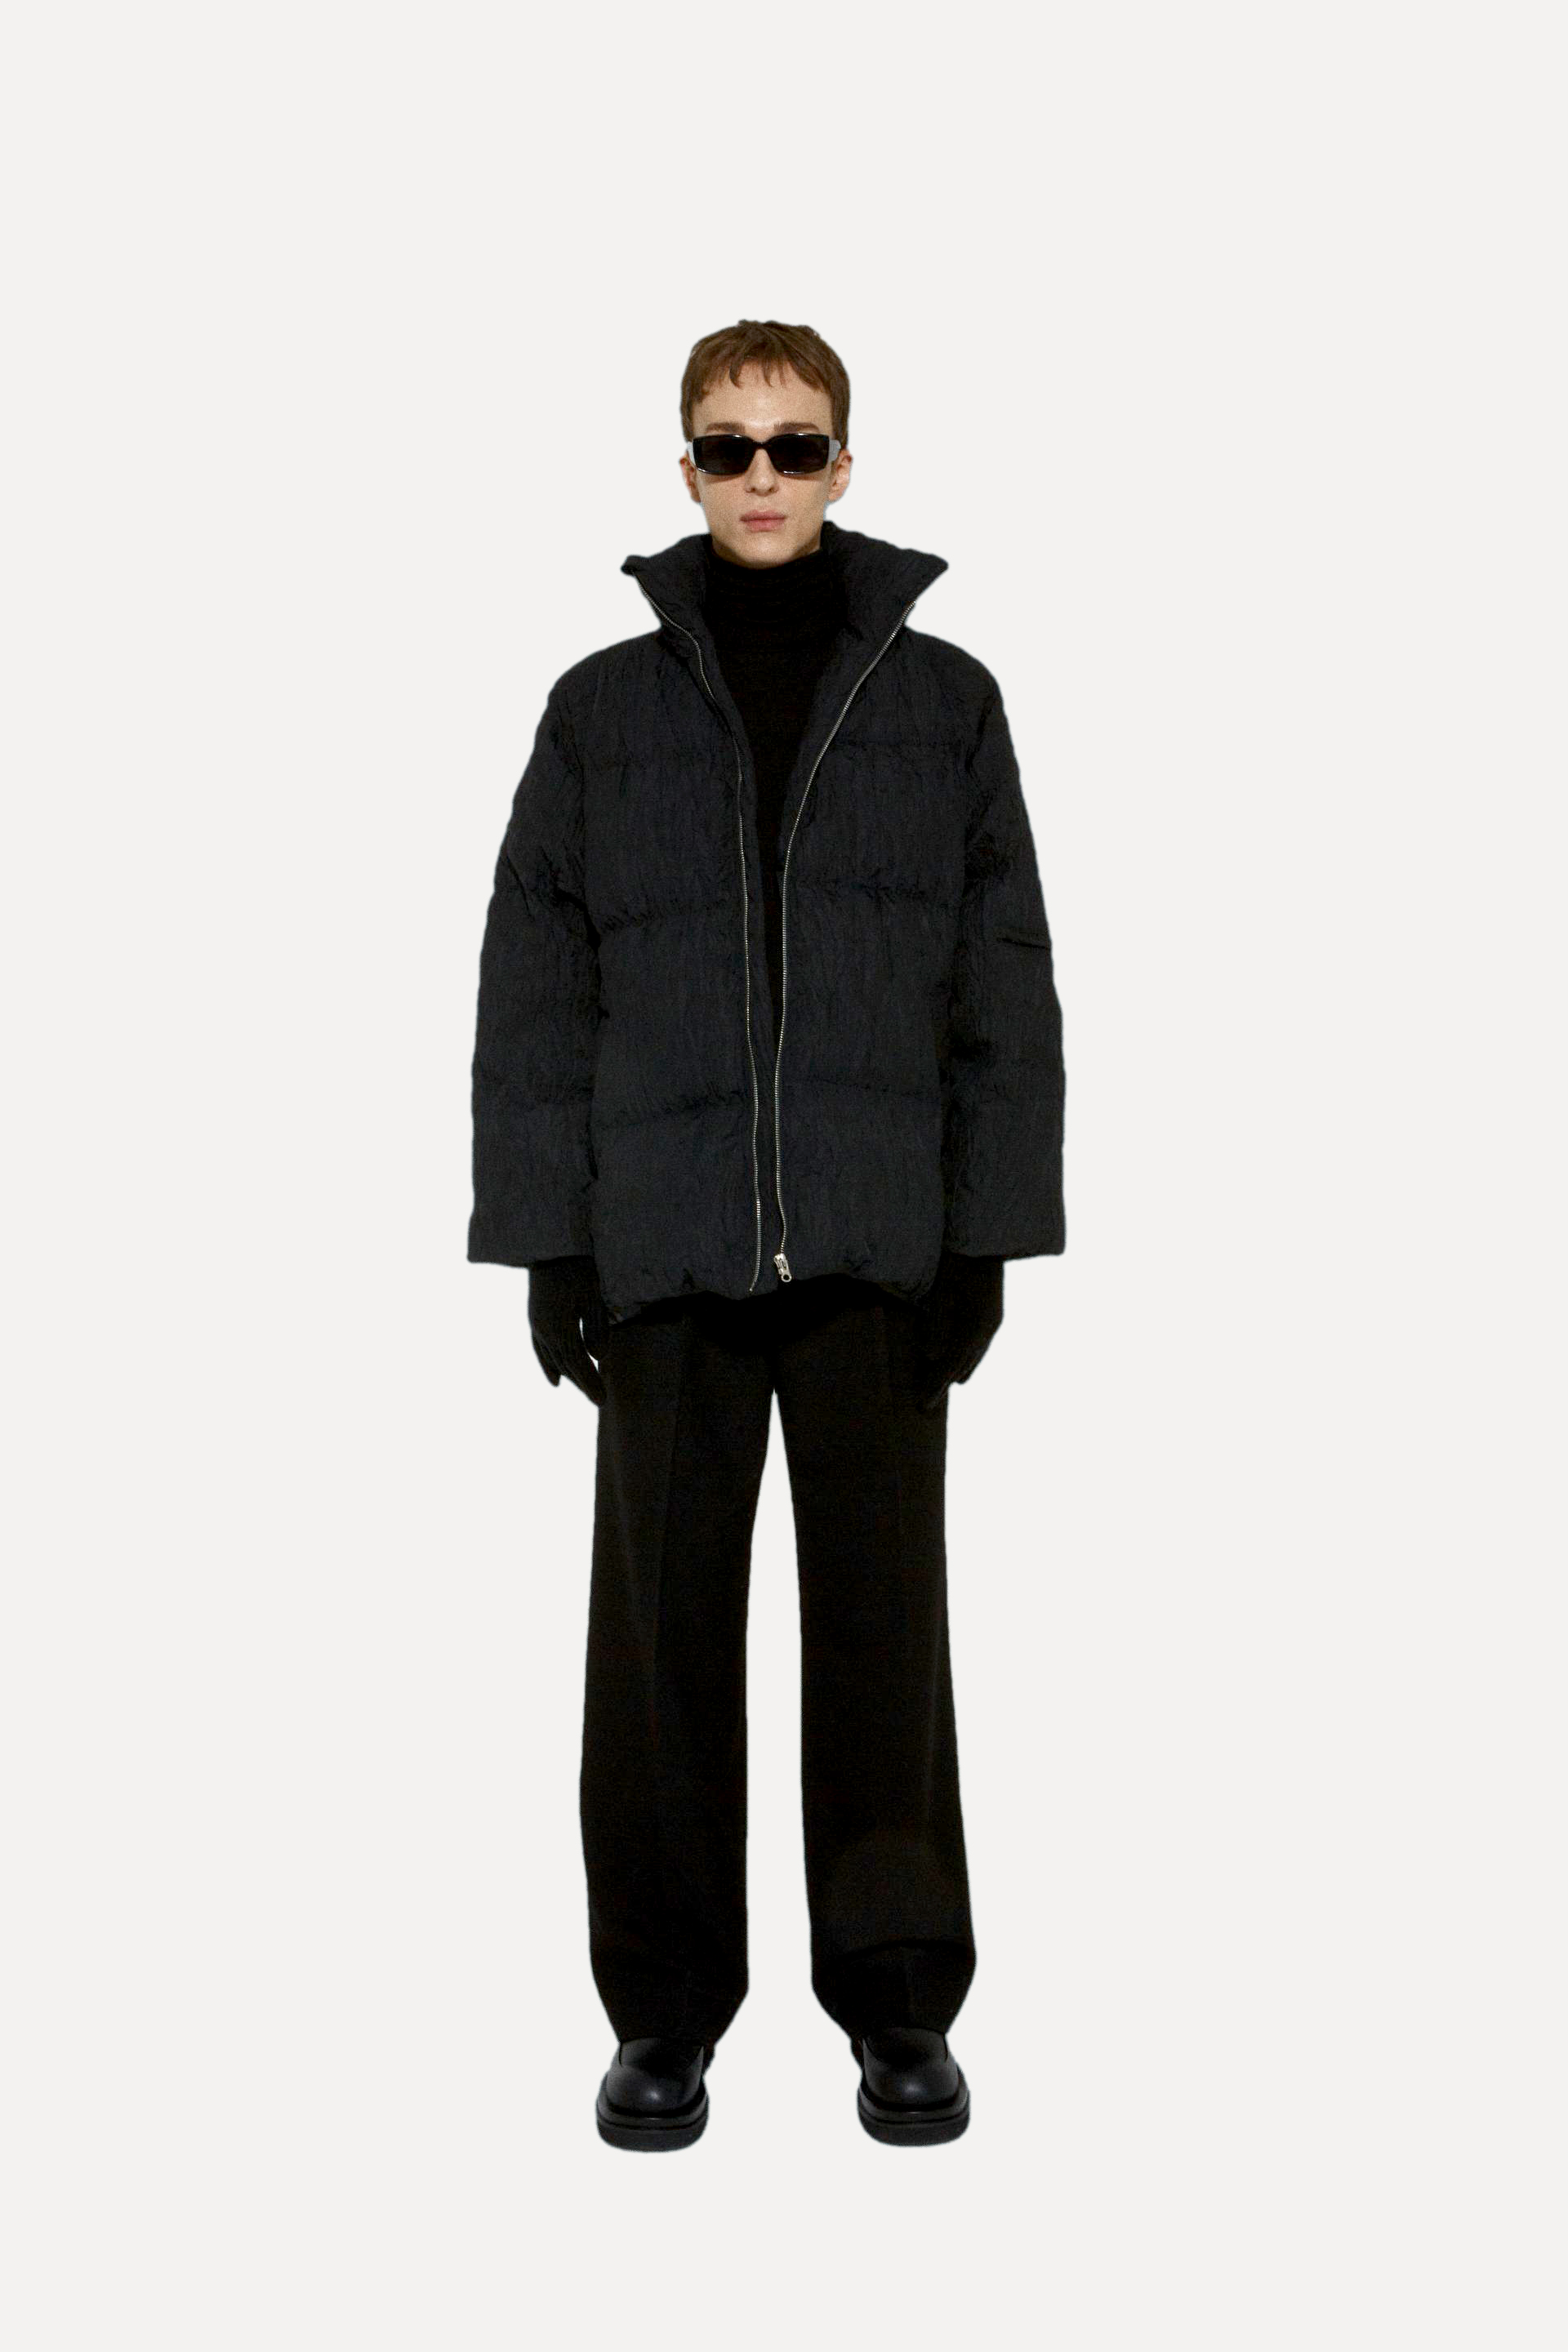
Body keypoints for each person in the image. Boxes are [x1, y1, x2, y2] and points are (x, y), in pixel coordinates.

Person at [468, 319, 1067, 2149]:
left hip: (878, 1246)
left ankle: (900, 2004)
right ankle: (663, 2017)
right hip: (662, 1250)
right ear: (685, 468)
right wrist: (550, 1241)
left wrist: (987, 1233)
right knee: (657, 1660)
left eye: (794, 446)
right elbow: (534, 987)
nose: (761, 477)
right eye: (729, 447)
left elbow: (1004, 981)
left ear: (843, 465)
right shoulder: (599, 711)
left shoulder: (946, 701)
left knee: (884, 1641)